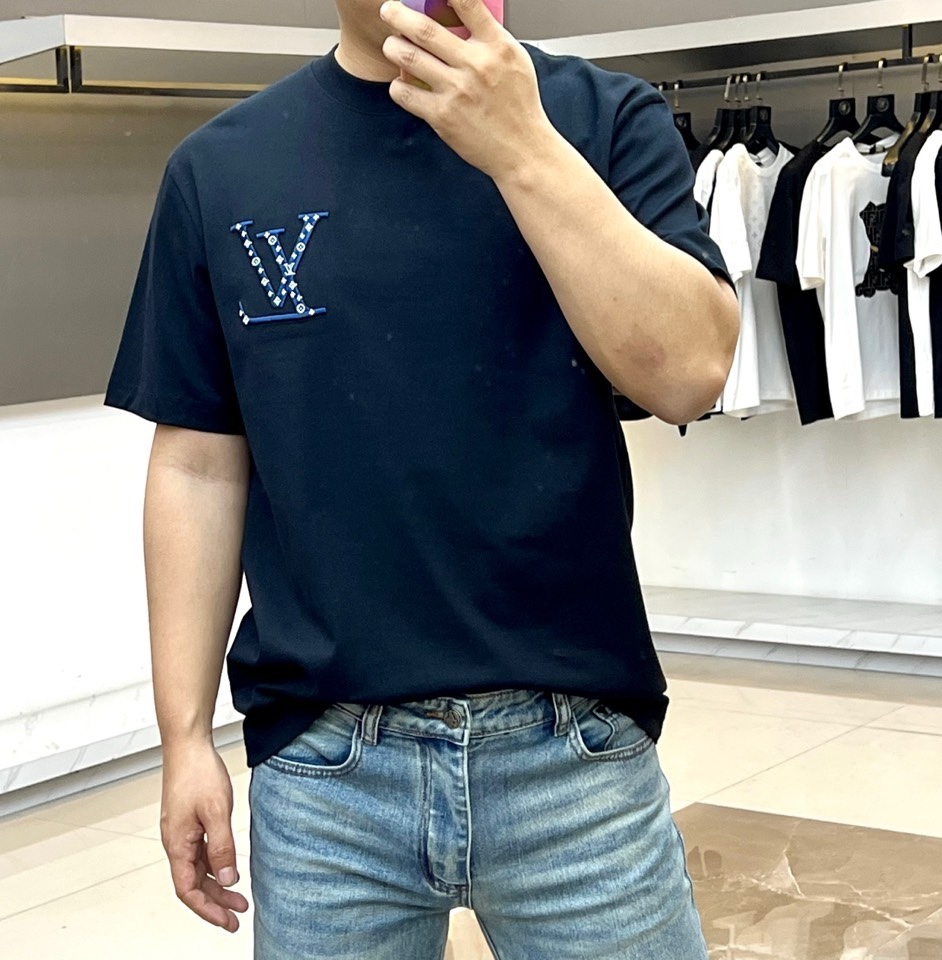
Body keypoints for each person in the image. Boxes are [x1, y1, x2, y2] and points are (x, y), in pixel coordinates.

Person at [104, 0, 739, 956]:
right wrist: (184, 737)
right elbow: (197, 464)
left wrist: (522, 147)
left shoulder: (603, 119)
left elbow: (689, 373)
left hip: (575, 754)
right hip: (326, 774)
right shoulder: (221, 167)